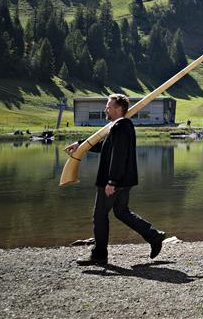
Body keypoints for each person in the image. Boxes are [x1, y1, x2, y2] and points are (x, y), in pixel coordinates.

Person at [64, 94, 166, 265]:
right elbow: (104, 146)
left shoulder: (120, 127)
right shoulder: (119, 126)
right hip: (123, 180)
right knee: (121, 212)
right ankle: (153, 236)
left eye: (109, 106)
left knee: (100, 215)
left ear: (119, 109)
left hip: (115, 181)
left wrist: (112, 181)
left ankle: (99, 255)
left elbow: (119, 156)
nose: (106, 109)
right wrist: (80, 144)